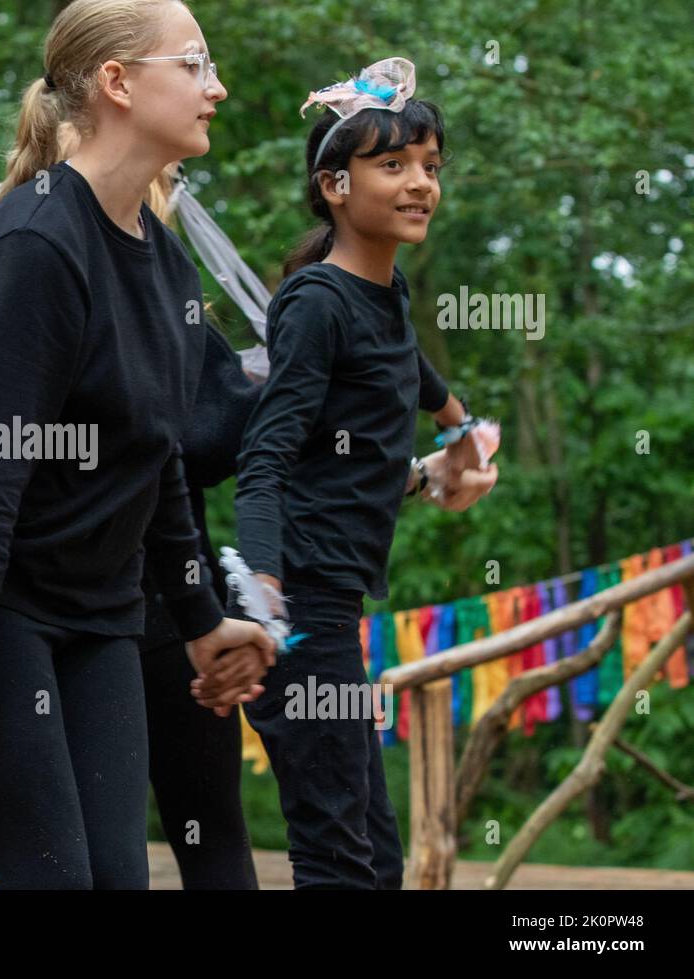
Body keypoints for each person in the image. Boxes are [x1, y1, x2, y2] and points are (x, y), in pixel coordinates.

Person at [0, 0, 276, 889]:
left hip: (99, 607)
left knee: (117, 876)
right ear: (118, 83)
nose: (217, 88)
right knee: (54, 876)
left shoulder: (166, 266)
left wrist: (203, 619)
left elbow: (160, 462)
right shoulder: (36, 239)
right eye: (195, 64)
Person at [233, 58, 496, 890]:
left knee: (373, 856)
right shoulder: (316, 302)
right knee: (341, 858)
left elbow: (406, 367)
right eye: (394, 166)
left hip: (336, 608)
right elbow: (265, 457)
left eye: (430, 167)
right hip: (298, 611)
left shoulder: (384, 294)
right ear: (335, 186)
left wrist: (463, 429)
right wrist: (264, 596)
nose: (420, 183)